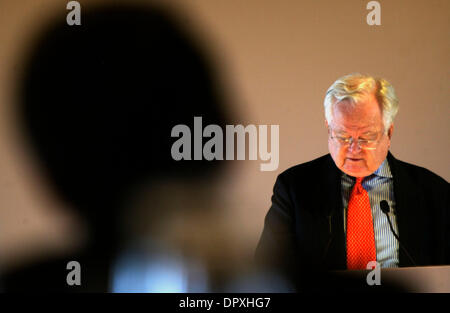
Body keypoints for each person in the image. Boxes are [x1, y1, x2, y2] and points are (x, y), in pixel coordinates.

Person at [255, 73, 449, 291]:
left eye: (366, 137)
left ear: (389, 132)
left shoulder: (434, 192)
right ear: (328, 129)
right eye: (342, 136)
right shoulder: (295, 188)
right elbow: (265, 272)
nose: (354, 149)